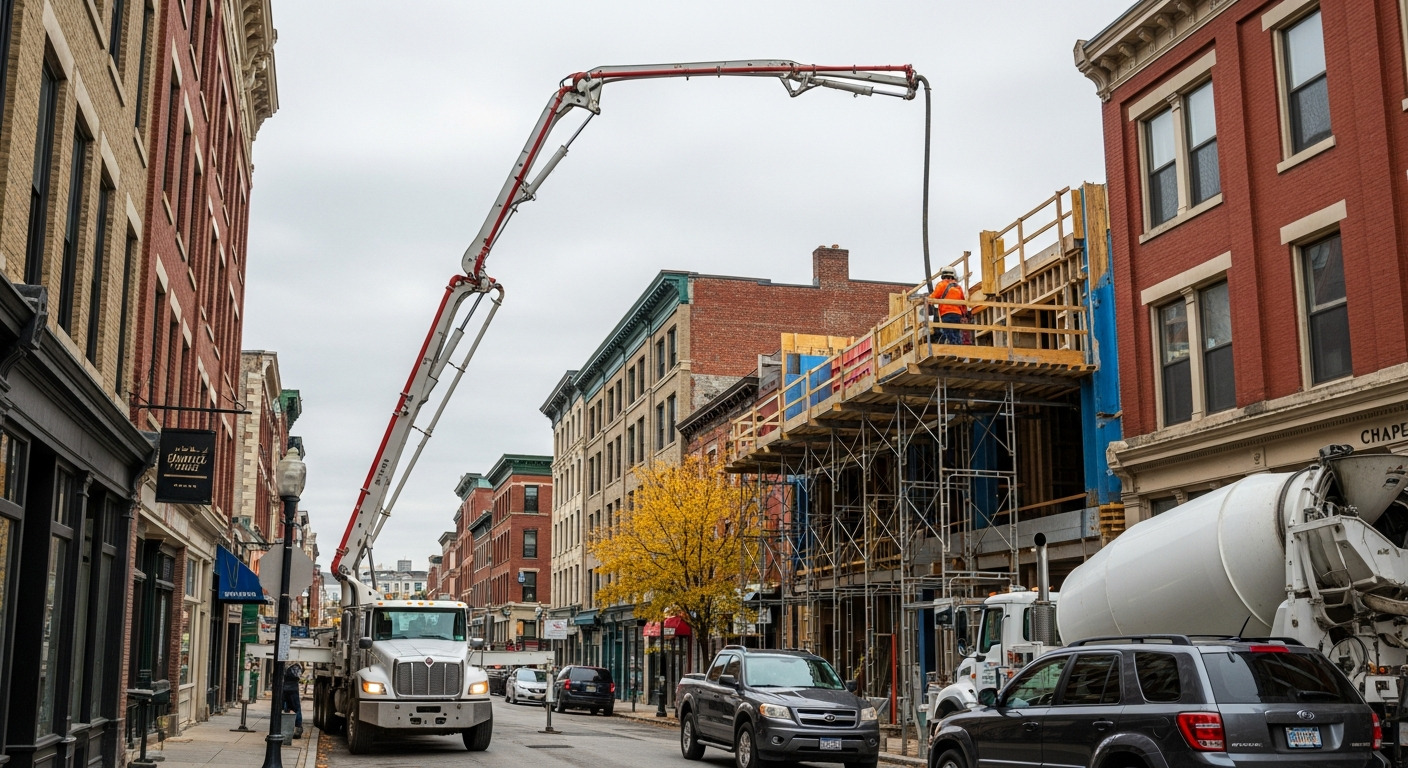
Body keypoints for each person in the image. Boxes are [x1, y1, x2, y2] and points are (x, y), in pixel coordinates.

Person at [931, 267, 969, 344]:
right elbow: (963, 303)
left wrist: (925, 301)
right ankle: (959, 350)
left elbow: (933, 297)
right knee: (956, 332)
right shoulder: (958, 287)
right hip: (957, 314)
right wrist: (964, 315)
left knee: (948, 331)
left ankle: (953, 350)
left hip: (946, 313)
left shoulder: (941, 285)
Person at [282, 663, 304, 738]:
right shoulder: (296, 666)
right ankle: (297, 727)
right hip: (292, 689)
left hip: (284, 688)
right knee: (296, 709)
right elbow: (298, 675)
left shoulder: (285, 664)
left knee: (283, 708)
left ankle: (282, 728)